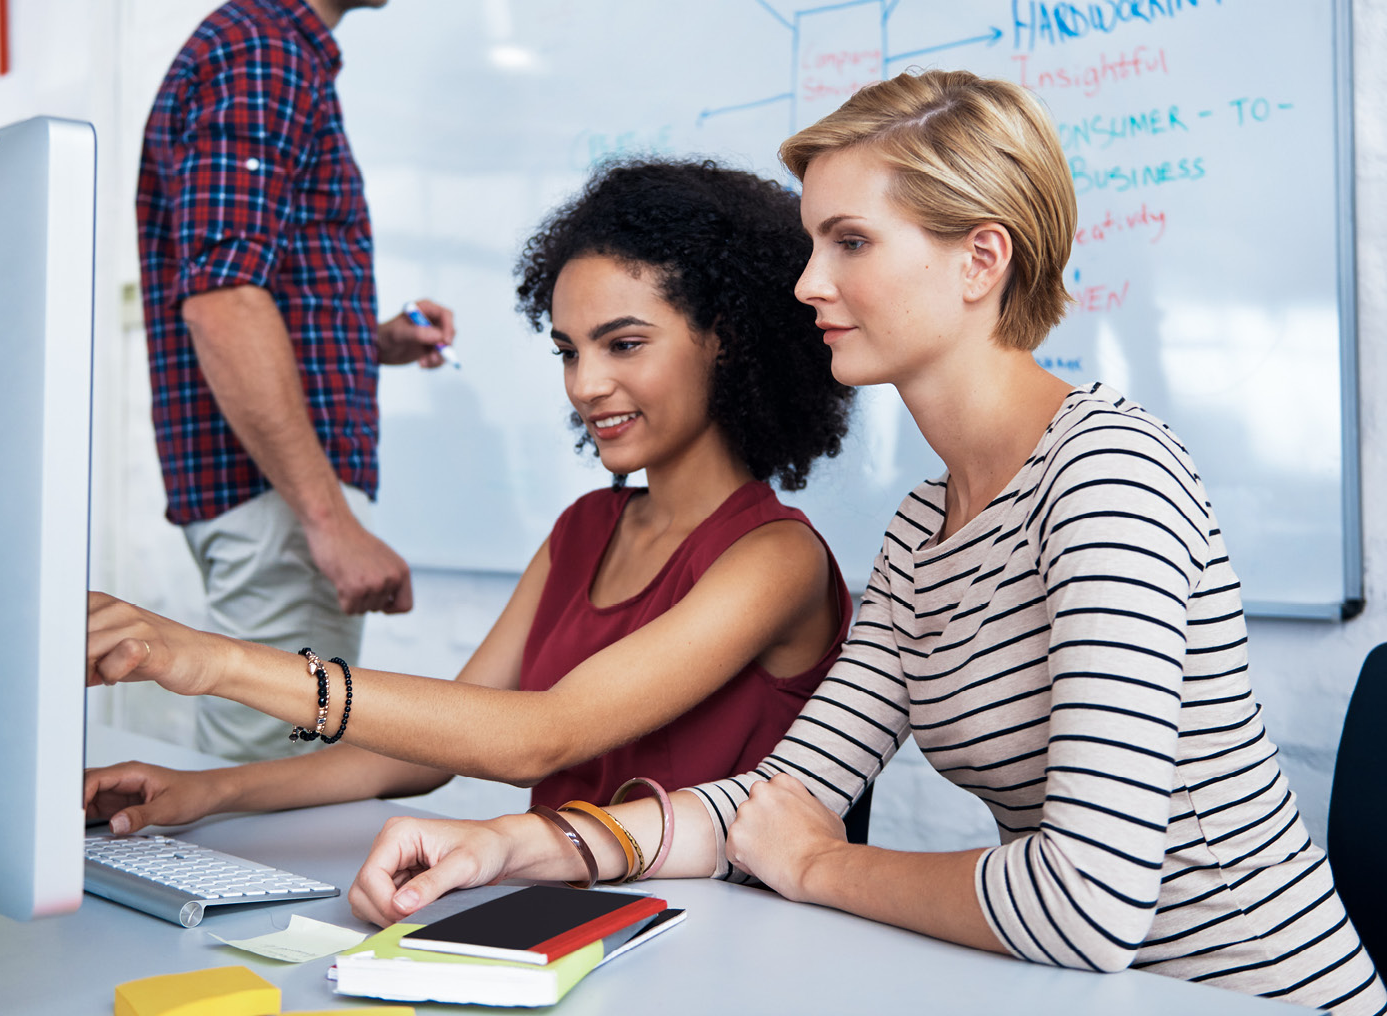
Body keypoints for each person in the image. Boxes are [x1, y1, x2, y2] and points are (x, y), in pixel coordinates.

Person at [345, 71, 1386, 1014]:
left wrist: (818, 867)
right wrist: (526, 842)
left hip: (1258, 998)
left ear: (980, 257)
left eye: (848, 241)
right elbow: (778, 798)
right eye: (810, 244)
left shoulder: (1109, 478)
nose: (805, 284)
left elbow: (1084, 900)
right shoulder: (926, 524)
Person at [86, 158, 857, 836]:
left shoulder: (776, 558)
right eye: (568, 351)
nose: (585, 385)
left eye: (623, 344)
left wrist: (213, 661)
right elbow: (419, 756)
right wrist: (206, 790)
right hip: (563, 918)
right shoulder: (586, 527)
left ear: (727, 339)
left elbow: (538, 738)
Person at [135, 0, 457, 763]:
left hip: (270, 502)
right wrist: (330, 524)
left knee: (269, 778)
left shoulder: (266, 51)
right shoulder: (261, 53)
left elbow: (246, 293)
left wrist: (372, 340)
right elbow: (222, 304)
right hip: (281, 508)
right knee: (265, 790)